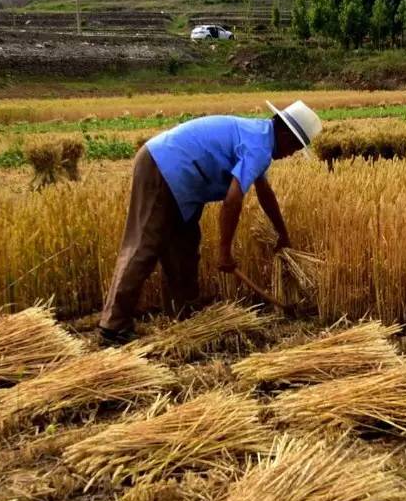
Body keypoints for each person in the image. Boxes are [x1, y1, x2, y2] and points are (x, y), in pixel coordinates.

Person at [97, 101, 323, 346]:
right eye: (293, 146)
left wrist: (283, 235)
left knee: (184, 248)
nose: (291, 153)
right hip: (163, 166)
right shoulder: (259, 145)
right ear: (283, 132)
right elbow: (233, 200)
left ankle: (182, 316)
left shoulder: (259, 137)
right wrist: (225, 252)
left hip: (186, 184)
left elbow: (265, 193)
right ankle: (113, 326)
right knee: (144, 245)